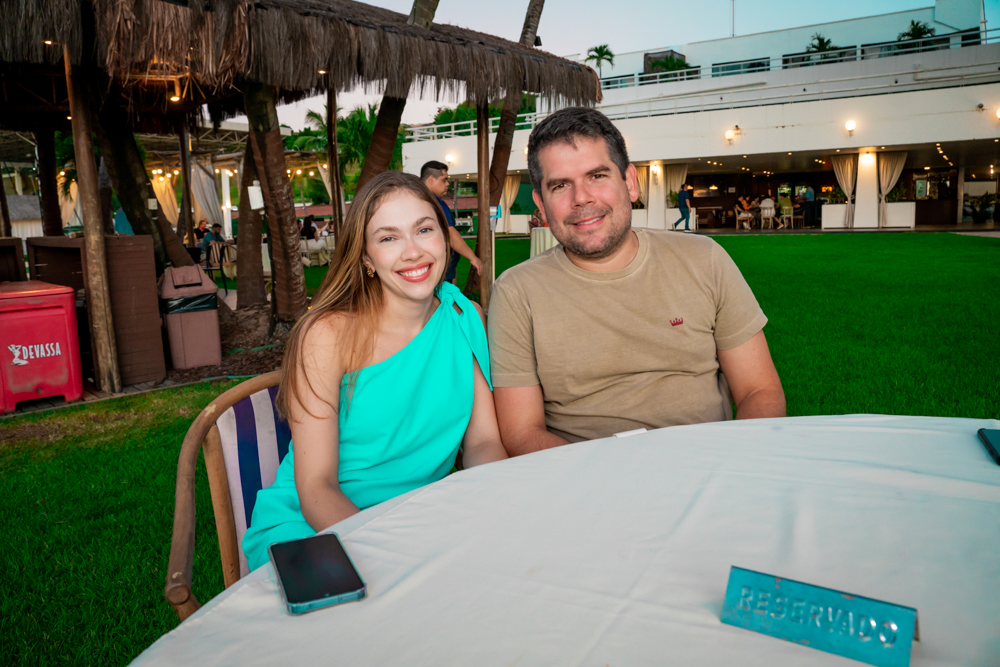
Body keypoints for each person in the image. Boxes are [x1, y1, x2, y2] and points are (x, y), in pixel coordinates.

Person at [242, 171, 508, 571]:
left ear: (444, 238)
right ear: (366, 257)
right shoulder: (327, 334)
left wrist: (501, 503)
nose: (413, 251)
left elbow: (483, 442)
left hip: (422, 521)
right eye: (388, 238)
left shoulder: (464, 316)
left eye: (424, 230)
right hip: (317, 525)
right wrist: (390, 554)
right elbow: (316, 486)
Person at [488, 107, 785, 456]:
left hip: (709, 464)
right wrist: (607, 478)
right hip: (582, 474)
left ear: (630, 182)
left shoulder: (704, 259)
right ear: (541, 202)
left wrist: (735, 462)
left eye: (597, 176)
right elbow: (522, 432)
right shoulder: (516, 292)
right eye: (561, 185)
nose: (581, 198)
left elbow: (758, 390)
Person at [420, 160, 483, 284]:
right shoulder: (435, 203)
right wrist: (473, 257)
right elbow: (450, 234)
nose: (447, 184)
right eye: (444, 180)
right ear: (431, 179)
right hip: (437, 271)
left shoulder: (419, 199)